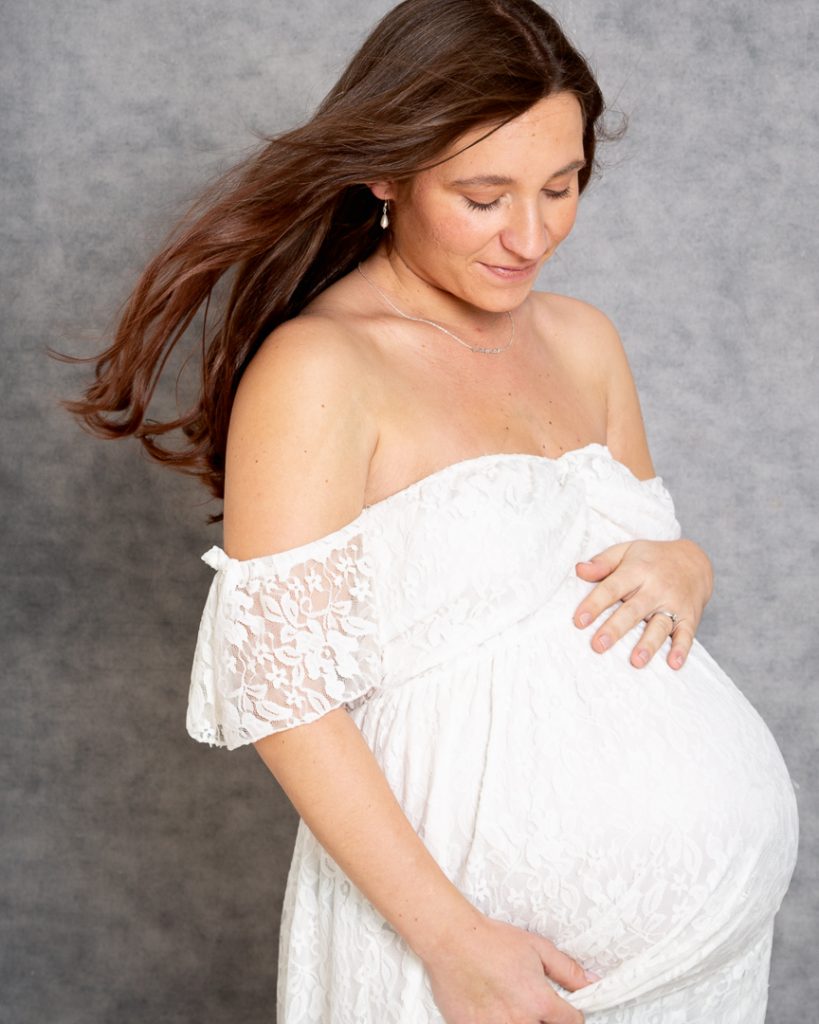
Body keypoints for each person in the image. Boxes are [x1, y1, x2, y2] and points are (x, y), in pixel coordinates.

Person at [61, 1, 799, 1021]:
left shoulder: (585, 340)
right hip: (458, 947)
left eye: (562, 185)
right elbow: (284, 697)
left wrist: (689, 565)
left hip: (702, 962)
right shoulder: (322, 367)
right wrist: (453, 941)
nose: (531, 234)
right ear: (389, 172)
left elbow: (635, 575)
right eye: (484, 196)